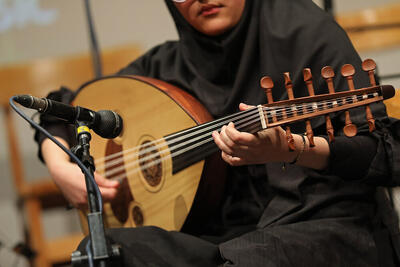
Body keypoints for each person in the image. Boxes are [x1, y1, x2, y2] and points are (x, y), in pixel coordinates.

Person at [34, 0, 400, 266]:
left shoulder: (304, 33)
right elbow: (63, 108)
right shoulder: (167, 66)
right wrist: (61, 166)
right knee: (110, 251)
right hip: (220, 238)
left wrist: (294, 149)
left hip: (320, 228)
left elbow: (387, 152)